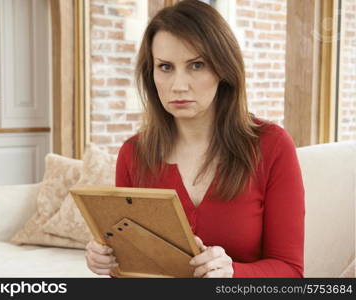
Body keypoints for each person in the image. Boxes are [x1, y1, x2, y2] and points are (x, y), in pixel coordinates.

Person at [85, 0, 305, 278]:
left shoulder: (272, 146)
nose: (178, 85)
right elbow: (132, 273)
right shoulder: (133, 154)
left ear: (223, 69)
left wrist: (232, 273)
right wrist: (111, 263)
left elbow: (291, 272)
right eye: (165, 67)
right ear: (150, 74)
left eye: (197, 65)